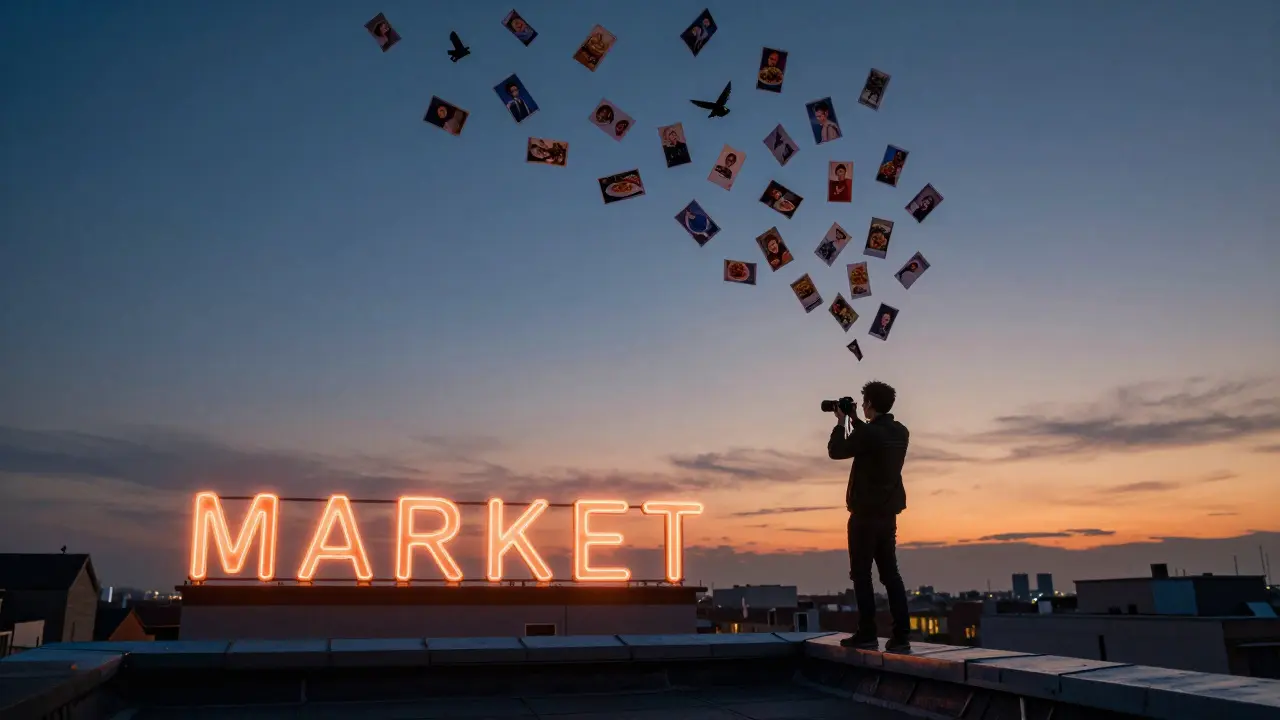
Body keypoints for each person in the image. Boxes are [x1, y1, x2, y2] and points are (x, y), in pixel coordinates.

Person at [827, 381, 910, 651]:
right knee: (891, 575)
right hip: (887, 515)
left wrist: (841, 422)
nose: (862, 406)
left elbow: (836, 451)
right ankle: (901, 636)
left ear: (870, 404)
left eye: (864, 403)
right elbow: (873, 438)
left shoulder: (872, 434)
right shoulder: (900, 432)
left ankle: (867, 633)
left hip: (864, 515)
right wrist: (854, 418)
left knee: (861, 575)